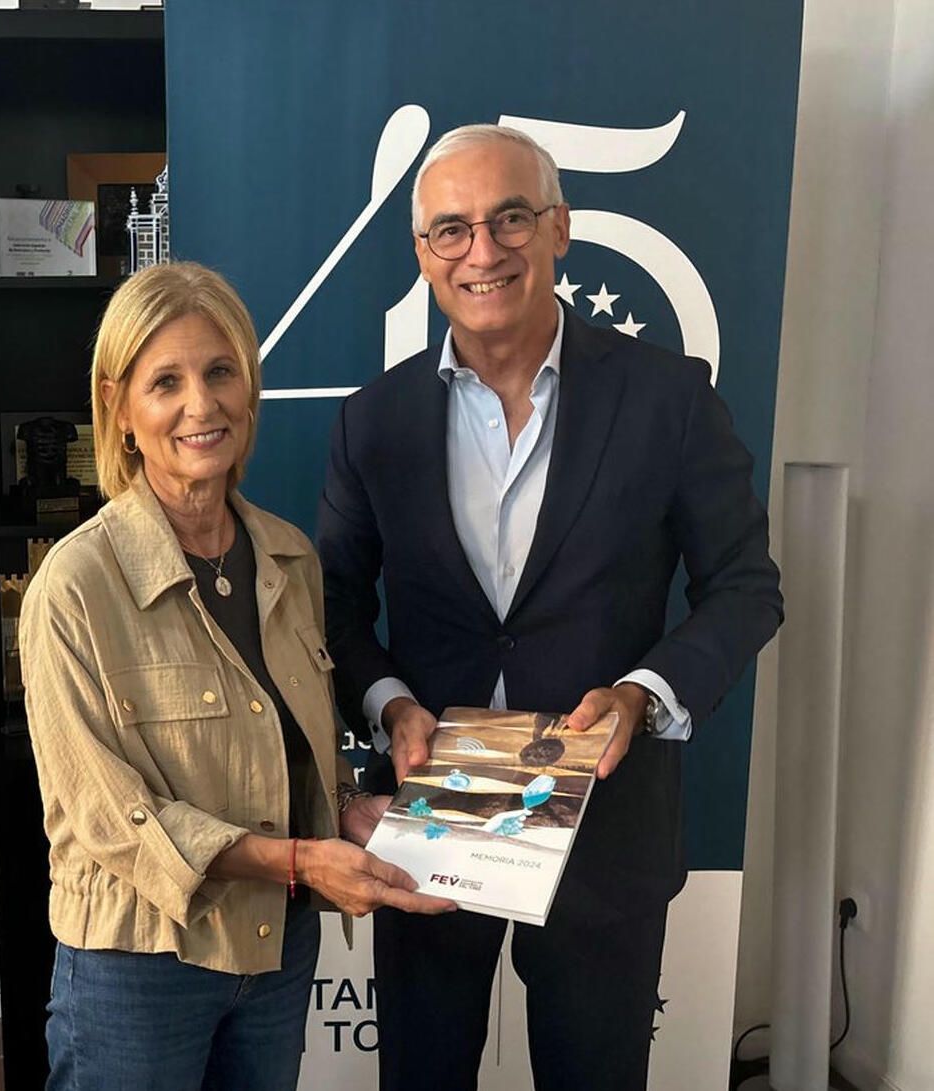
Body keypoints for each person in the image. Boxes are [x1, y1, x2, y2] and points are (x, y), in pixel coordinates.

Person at [319, 125, 783, 1091]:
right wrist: (389, 703)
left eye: (510, 219)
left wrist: (641, 695)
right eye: (450, 230)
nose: (481, 252)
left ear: (559, 228)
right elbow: (332, 603)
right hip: (432, 816)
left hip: (603, 829)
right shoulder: (374, 421)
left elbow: (745, 583)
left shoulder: (668, 398)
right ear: (422, 254)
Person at [20, 261, 454, 1091]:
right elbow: (108, 816)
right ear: (119, 408)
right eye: (165, 382)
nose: (201, 404)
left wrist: (346, 810)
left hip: (277, 951)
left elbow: (293, 746)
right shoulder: (75, 586)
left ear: (249, 388)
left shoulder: (289, 558)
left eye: (220, 371)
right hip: (140, 962)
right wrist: (299, 862)